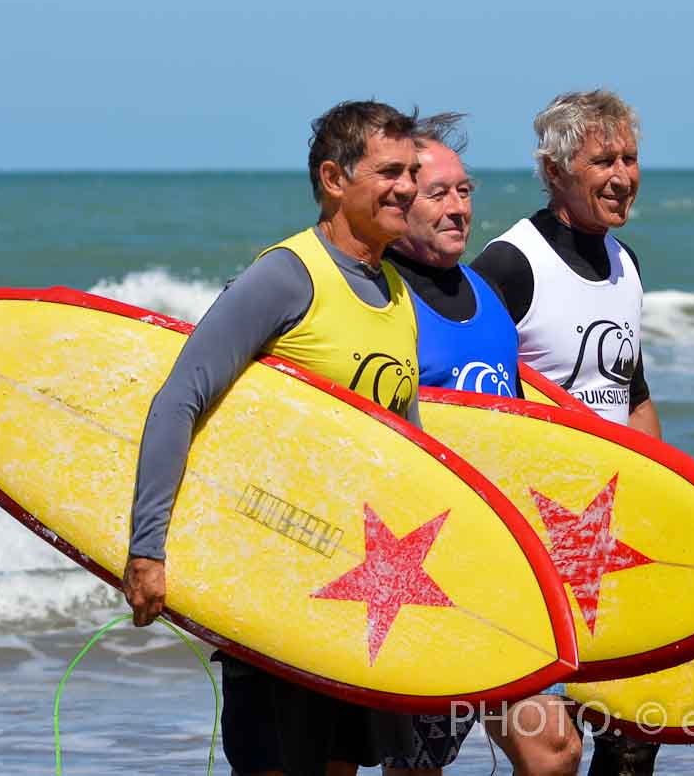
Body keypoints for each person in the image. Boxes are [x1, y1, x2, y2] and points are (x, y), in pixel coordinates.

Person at [122, 100, 423, 776]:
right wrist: (148, 547)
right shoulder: (287, 275)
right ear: (334, 178)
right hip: (276, 580)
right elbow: (179, 398)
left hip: (361, 588)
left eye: (412, 170)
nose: (407, 186)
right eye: (390, 171)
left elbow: (409, 449)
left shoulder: (398, 292)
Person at [380, 114, 581, 776]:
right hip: (419, 570)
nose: (459, 207)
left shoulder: (487, 298)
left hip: (499, 566)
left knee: (553, 748)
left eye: (465, 191)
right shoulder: (380, 298)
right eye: (440, 193)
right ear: (400, 199)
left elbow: (517, 428)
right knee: (418, 767)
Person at [472, 89, 662, 776]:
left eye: (631, 157)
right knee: (552, 752)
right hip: (529, 540)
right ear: (555, 170)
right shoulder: (510, 265)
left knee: (635, 736)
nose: (623, 174)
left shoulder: (626, 263)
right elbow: (464, 391)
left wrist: (661, 500)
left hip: (606, 541)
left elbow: (631, 393)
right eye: (602, 159)